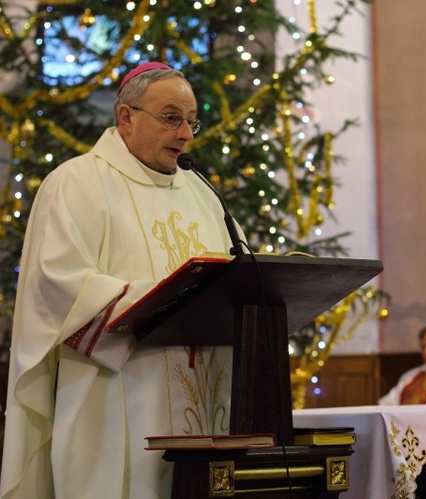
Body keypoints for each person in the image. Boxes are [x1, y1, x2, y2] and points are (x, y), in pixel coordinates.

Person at [0, 62, 244, 498]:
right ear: (126, 117)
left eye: (192, 120)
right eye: (171, 118)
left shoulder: (202, 193)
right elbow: (58, 286)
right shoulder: (76, 183)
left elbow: (243, 276)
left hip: (211, 413)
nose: (186, 133)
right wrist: (164, 299)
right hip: (115, 405)